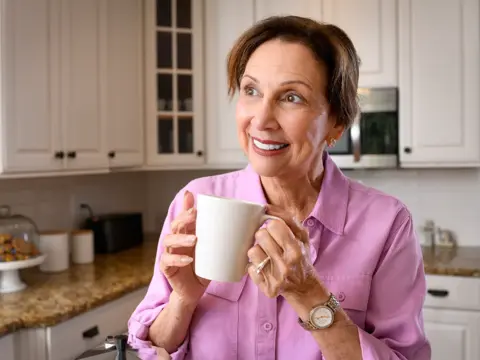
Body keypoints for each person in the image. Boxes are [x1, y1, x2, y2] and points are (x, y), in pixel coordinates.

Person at [128, 15, 431, 360]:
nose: (260, 120)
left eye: (291, 97)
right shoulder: (196, 201)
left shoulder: (387, 225)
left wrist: (308, 294)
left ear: (337, 123)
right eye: (251, 90)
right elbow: (152, 346)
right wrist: (183, 298)